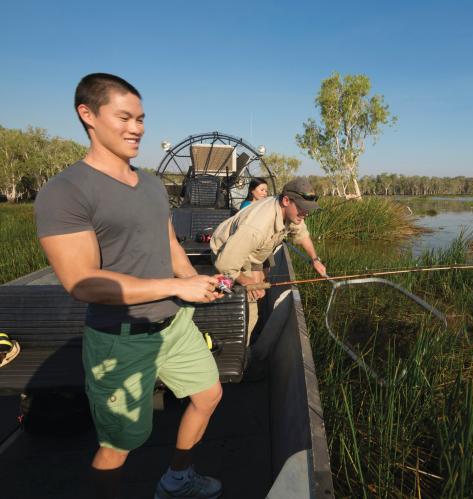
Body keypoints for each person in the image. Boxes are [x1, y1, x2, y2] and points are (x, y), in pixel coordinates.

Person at [34, 73, 224, 499]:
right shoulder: (64, 192)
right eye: (124, 117)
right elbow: (83, 283)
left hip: (175, 327)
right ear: (88, 115)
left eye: (141, 118)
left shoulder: (153, 185)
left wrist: (195, 281)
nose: (137, 128)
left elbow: (169, 243)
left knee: (208, 395)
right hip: (120, 341)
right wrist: (174, 287)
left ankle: (177, 478)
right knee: (118, 446)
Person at [210, 177, 327, 338]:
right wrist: (250, 282)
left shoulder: (291, 212)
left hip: (249, 252)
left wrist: (315, 259)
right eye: (302, 208)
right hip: (226, 255)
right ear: (286, 200)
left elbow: (301, 233)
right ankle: (233, 336)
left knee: (253, 290)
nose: (305, 213)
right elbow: (224, 264)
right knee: (247, 315)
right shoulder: (256, 228)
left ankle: (228, 301)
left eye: (308, 209)